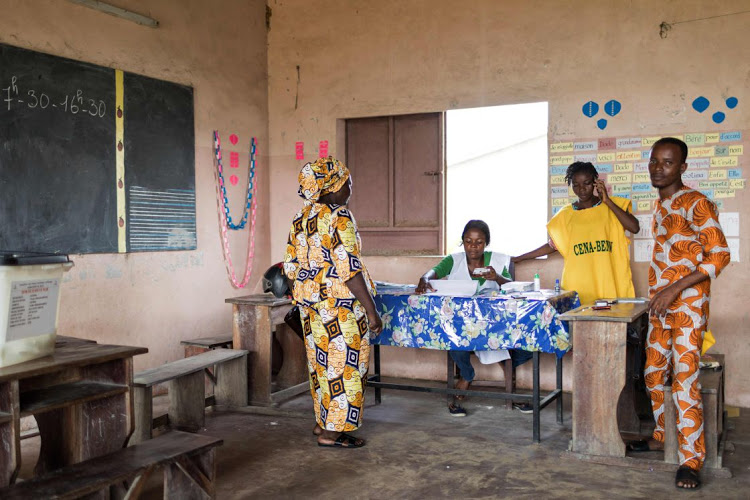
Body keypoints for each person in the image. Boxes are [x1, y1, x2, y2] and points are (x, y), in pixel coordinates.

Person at [629, 137, 729, 490]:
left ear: (682, 167)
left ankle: (691, 460)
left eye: (667, 162)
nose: (658, 168)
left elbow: (718, 256)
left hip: (687, 308)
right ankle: (661, 435)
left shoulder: (696, 203)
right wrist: (659, 294)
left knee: (684, 381)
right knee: (654, 373)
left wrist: (673, 289)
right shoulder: (660, 205)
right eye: (654, 161)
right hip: (660, 307)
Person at [283, 157, 383, 448]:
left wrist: (309, 297)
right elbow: (348, 269)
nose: (350, 187)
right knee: (344, 369)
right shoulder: (339, 216)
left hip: (312, 308)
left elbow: (290, 269)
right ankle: (332, 433)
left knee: (321, 366)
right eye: (346, 182)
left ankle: (322, 421)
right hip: (341, 308)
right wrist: (371, 311)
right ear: (331, 187)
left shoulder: (301, 218)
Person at [415, 220, 530, 416]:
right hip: (461, 324)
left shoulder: (497, 260)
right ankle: (467, 374)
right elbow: (433, 272)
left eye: (478, 242)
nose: (473, 247)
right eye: (468, 241)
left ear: (486, 243)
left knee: (528, 344)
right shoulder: (454, 260)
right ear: (463, 242)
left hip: (494, 325)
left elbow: (511, 286)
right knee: (451, 336)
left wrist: (497, 278)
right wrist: (425, 279)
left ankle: (505, 364)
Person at [513, 161, 640, 305]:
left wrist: (607, 201)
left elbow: (634, 227)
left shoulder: (612, 206)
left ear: (595, 182)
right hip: (580, 284)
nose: (582, 189)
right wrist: (520, 258)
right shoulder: (565, 215)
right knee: (579, 323)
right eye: (576, 185)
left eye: (586, 183)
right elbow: (553, 245)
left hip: (609, 280)